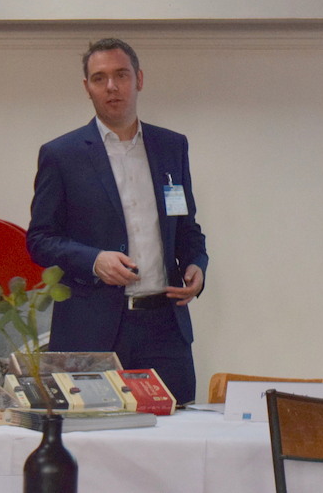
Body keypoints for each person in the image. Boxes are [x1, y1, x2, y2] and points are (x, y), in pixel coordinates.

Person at [26, 38, 209, 403]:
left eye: (121, 75)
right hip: (91, 330)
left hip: (164, 328)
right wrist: (94, 260)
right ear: (87, 87)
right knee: (94, 432)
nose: (111, 86)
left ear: (138, 79)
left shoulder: (172, 147)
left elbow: (187, 227)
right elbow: (40, 239)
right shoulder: (61, 155)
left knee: (177, 427)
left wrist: (197, 265)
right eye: (100, 78)